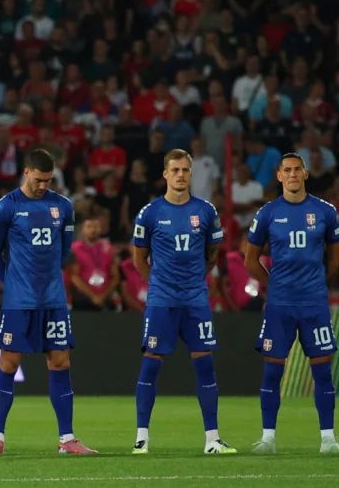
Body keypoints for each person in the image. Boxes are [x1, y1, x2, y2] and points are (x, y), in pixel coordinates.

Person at [0, 149, 97, 455]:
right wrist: (12, 283)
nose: (44, 185)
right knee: (9, 362)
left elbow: (63, 251)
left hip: (53, 299)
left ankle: (67, 439)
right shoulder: (5, 207)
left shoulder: (63, 207)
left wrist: (47, 280)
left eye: (48, 180)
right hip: (19, 302)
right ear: (27, 172)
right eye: (39, 179)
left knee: (60, 362)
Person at [130, 149, 235, 454]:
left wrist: (192, 282)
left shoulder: (206, 211)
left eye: (185, 170)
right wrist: (161, 285)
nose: (180, 175)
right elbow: (139, 259)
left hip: (196, 300)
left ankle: (212, 439)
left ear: (191, 174)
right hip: (162, 300)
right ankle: (141, 438)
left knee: (205, 365)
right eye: (174, 170)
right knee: (151, 364)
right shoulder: (149, 213)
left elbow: (212, 254)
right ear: (165, 174)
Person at [244, 153, 339, 454]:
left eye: (297, 170)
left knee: (323, 372)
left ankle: (328, 440)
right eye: (286, 170)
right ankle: (268, 439)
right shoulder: (267, 213)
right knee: (273, 372)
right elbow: (250, 260)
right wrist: (273, 284)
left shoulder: (326, 212)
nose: (292, 175)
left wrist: (314, 282)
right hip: (280, 305)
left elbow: (336, 257)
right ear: (279, 176)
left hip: (314, 304)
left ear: (306, 174)